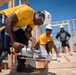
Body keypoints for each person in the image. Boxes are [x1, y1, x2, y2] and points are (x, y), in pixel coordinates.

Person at [0, 4, 51, 72]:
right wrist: (13, 42)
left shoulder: (33, 22)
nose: (39, 25)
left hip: (12, 25)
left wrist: (33, 40)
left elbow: (27, 32)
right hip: (3, 18)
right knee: (2, 42)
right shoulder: (28, 11)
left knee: (23, 38)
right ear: (40, 15)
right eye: (41, 22)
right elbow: (8, 21)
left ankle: (21, 66)